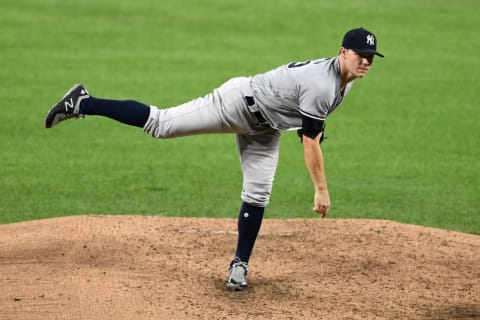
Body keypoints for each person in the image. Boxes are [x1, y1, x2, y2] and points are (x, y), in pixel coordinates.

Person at [45, 27, 384, 290]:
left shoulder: (345, 82)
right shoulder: (322, 84)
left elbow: (309, 126)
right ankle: (82, 102)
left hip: (266, 129)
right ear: (343, 52)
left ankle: (240, 265)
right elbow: (310, 141)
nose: (366, 61)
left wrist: (313, 133)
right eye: (360, 54)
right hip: (237, 103)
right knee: (161, 124)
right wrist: (320, 189)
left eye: (371, 56)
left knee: (258, 194)